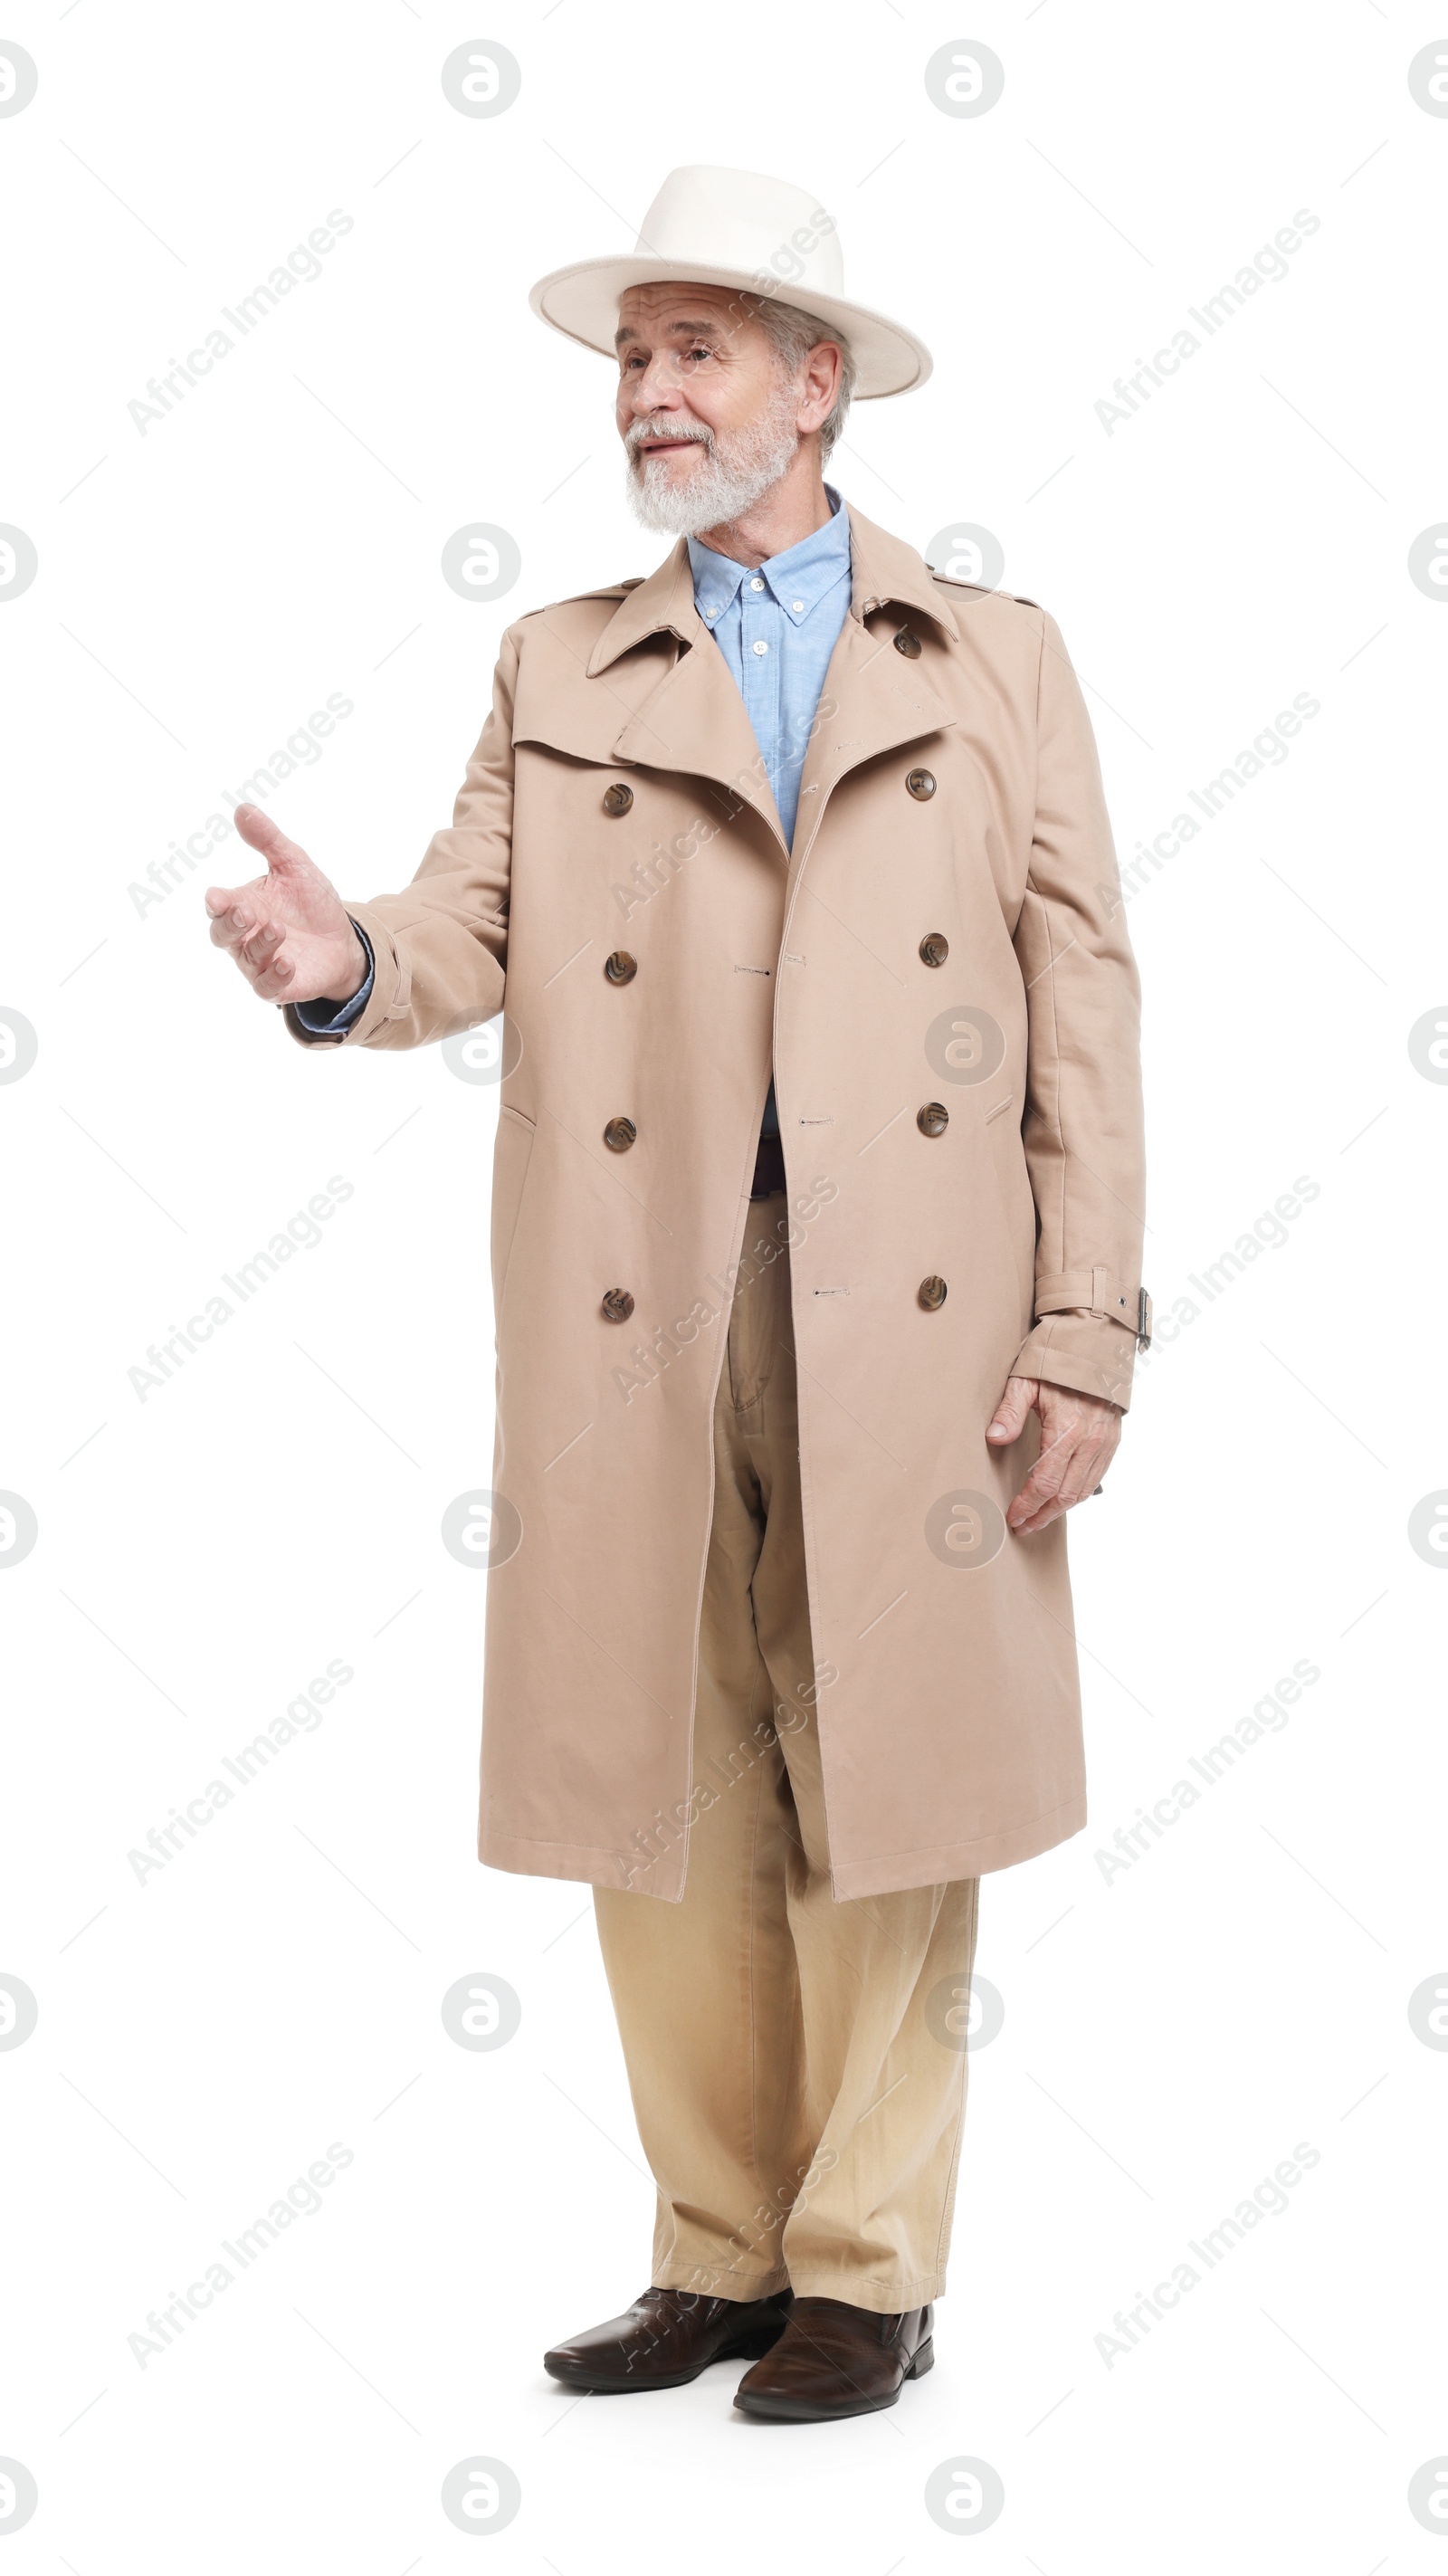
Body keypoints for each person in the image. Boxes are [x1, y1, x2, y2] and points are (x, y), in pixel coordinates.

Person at [206, 164, 1148, 2424]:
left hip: (919, 1319)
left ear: (814, 388)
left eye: (691, 348)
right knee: (664, 1770)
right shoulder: (555, 657)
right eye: (629, 357)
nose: (643, 392)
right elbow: (459, 919)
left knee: (887, 1773)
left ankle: (866, 2262)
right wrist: (348, 973)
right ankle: (712, 2248)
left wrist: (1085, 1328)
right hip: (639, 1299)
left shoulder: (993, 657)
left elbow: (1085, 1012)